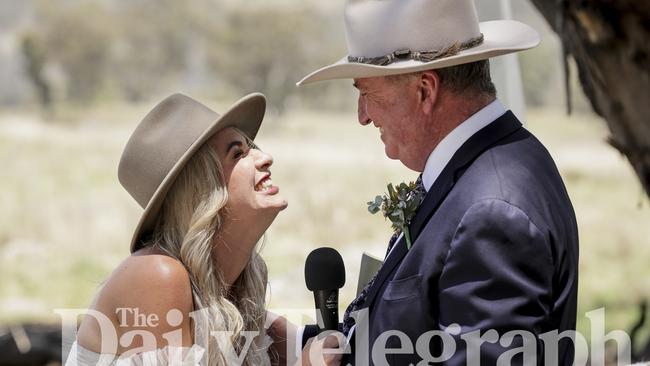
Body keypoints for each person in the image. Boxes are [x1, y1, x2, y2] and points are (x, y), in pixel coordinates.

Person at [290, 0, 579, 364]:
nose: (362, 116)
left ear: (425, 91)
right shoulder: (487, 166)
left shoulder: (492, 210)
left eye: (366, 93)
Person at [65, 93, 289, 365]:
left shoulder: (237, 284)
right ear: (201, 191)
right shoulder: (158, 276)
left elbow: (315, 344)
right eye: (238, 153)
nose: (265, 157)